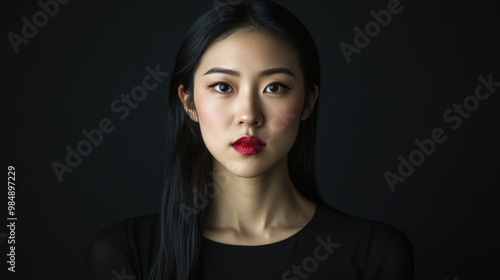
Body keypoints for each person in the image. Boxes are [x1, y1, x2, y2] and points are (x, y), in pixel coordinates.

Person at [84, 1, 414, 279]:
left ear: (308, 101)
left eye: (274, 87)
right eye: (223, 87)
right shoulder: (126, 253)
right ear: (189, 102)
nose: (249, 115)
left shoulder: (374, 253)